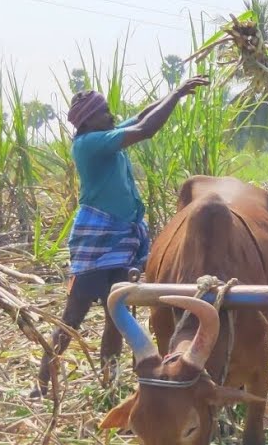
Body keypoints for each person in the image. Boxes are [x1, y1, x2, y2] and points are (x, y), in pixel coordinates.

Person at [37, 75, 210, 392]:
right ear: (89, 120)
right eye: (104, 112)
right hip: (97, 238)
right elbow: (146, 129)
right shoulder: (89, 144)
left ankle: (109, 382)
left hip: (121, 239)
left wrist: (174, 95)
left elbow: (143, 116)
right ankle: (42, 381)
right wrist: (176, 93)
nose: (111, 115)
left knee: (115, 314)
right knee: (73, 315)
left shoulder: (105, 133)